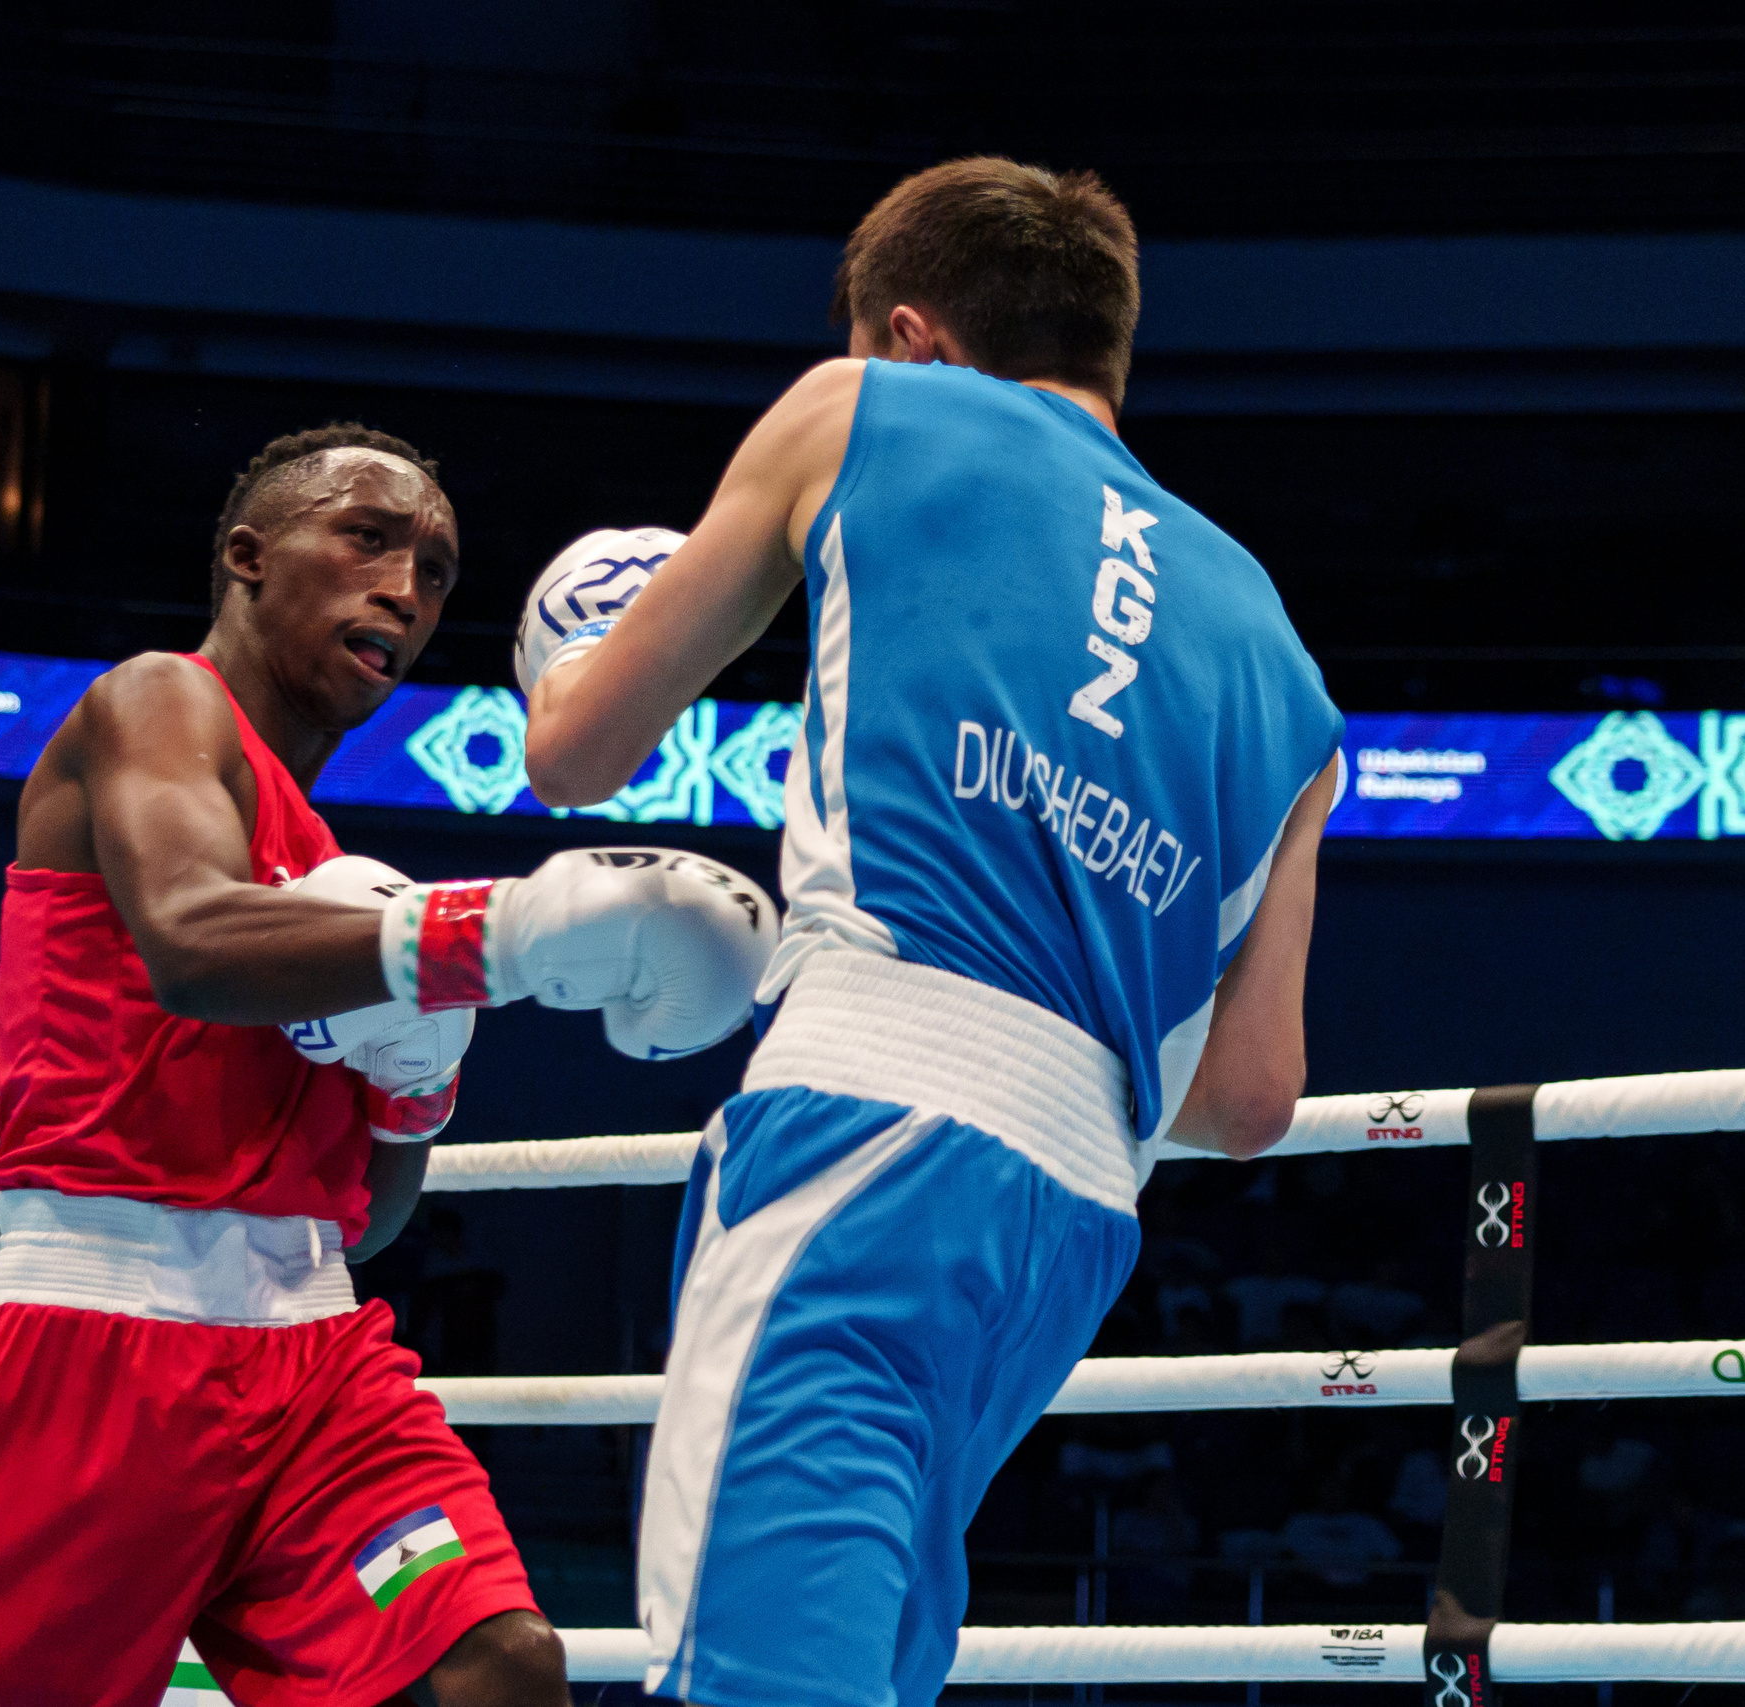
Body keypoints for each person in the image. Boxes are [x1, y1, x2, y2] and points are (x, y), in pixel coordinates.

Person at [518, 157, 1347, 1707]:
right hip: (1068, 1220)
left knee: (755, 1676)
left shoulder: (862, 410)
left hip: (860, 1131)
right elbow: (1250, 1100)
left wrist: (564, 640)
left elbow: (575, 754)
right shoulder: (1285, 665)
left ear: (907, 334)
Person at [0, 422, 774, 1707]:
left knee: (496, 1670)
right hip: (97, 1343)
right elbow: (188, 940)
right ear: (246, 554)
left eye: (440, 572)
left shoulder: (333, 878)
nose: (408, 590)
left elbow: (368, 1220)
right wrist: (495, 937)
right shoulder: (157, 704)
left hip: (312, 1353)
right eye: (369, 538)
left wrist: (417, 1087)